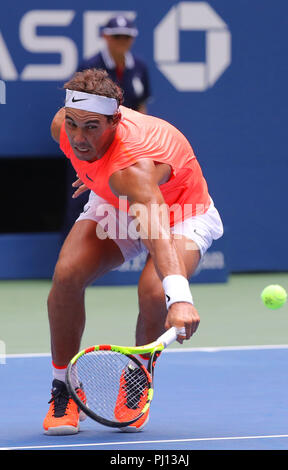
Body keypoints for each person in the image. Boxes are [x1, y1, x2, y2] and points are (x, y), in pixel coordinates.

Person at [43, 68, 224, 435]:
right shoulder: (62, 126)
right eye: (74, 124)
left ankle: (138, 371)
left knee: (154, 291)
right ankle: (63, 385)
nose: (79, 136)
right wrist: (94, 172)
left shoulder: (135, 167)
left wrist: (181, 299)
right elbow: (86, 150)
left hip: (179, 214)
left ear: (115, 120)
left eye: (92, 127)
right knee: (66, 276)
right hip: (117, 200)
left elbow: (155, 230)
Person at [63, 15, 151, 235]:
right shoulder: (90, 66)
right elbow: (78, 112)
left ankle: (118, 253)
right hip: (92, 147)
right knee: (81, 199)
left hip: (124, 148)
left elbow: (141, 108)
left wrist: (137, 145)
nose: (122, 41)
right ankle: (71, 253)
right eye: (116, 36)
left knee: (127, 197)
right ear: (105, 37)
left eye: (126, 36)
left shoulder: (139, 67)